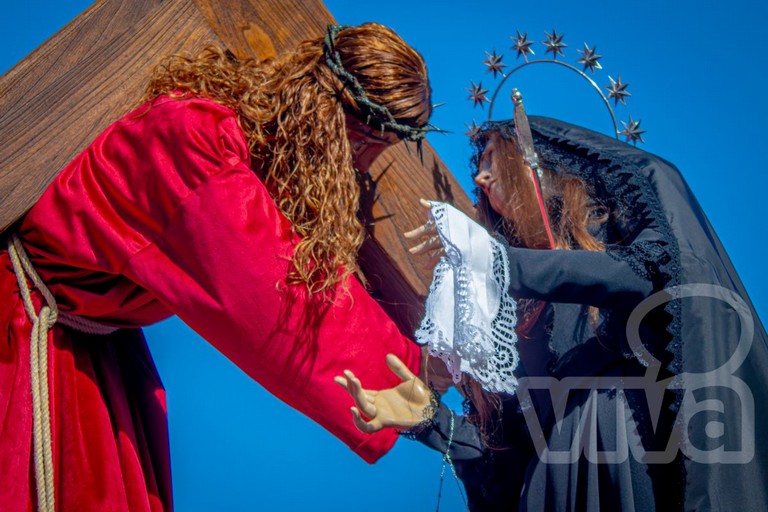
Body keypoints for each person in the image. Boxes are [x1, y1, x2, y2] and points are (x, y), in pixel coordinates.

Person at [0, 23, 432, 511]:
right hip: (25, 335)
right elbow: (277, 292)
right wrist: (416, 371)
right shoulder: (191, 139)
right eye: (365, 146)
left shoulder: (246, 153)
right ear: (332, 116)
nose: (359, 171)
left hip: (93, 353)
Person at [337, 115, 768, 511]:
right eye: (479, 165)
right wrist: (432, 421)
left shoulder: (614, 234)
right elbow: (507, 456)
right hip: (550, 482)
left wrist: (504, 264)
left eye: (491, 157)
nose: (481, 176)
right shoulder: (513, 313)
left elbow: (664, 277)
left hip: (628, 448)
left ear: (535, 156)